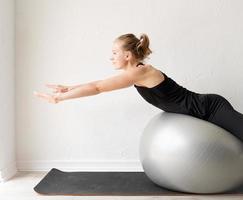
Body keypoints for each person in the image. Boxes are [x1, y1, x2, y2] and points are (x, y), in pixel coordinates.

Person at [34, 33, 243, 142]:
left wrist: (62, 98)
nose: (111, 57)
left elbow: (98, 87)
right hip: (202, 111)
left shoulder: (140, 72)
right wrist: (69, 88)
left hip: (210, 108)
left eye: (114, 52)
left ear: (127, 55)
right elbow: (96, 84)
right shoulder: (135, 75)